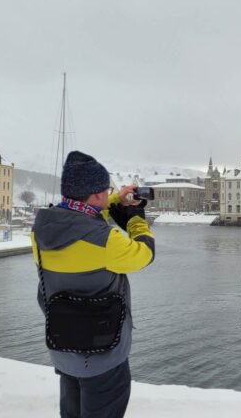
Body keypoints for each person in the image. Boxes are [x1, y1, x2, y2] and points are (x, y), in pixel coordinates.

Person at [31, 151, 155, 418]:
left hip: (65, 349)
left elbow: (79, 212)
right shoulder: (106, 240)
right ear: (97, 194)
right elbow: (145, 254)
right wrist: (135, 217)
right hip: (103, 356)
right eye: (105, 189)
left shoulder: (40, 231)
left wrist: (114, 200)